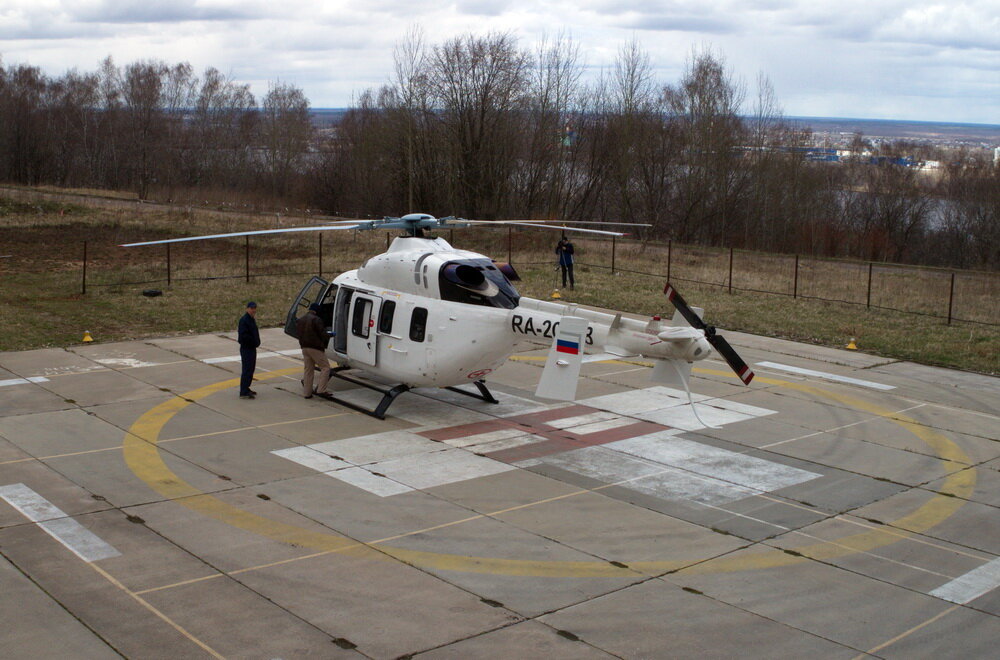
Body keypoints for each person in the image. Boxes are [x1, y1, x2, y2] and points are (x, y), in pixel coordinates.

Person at [296, 302, 332, 399]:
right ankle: (321, 390)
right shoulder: (317, 320)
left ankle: (307, 393)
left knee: (308, 370)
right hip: (315, 348)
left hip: (304, 348)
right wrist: (331, 334)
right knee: (326, 368)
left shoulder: (301, 319)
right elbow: (322, 334)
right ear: (316, 311)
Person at [237, 301, 260, 399]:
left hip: (252, 348)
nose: (253, 310)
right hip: (247, 349)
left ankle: (247, 387)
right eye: (251, 308)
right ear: (247, 309)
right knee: (247, 370)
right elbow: (243, 336)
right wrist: (253, 341)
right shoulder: (244, 320)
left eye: (254, 308)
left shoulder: (251, 319)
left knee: (251, 369)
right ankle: (243, 391)